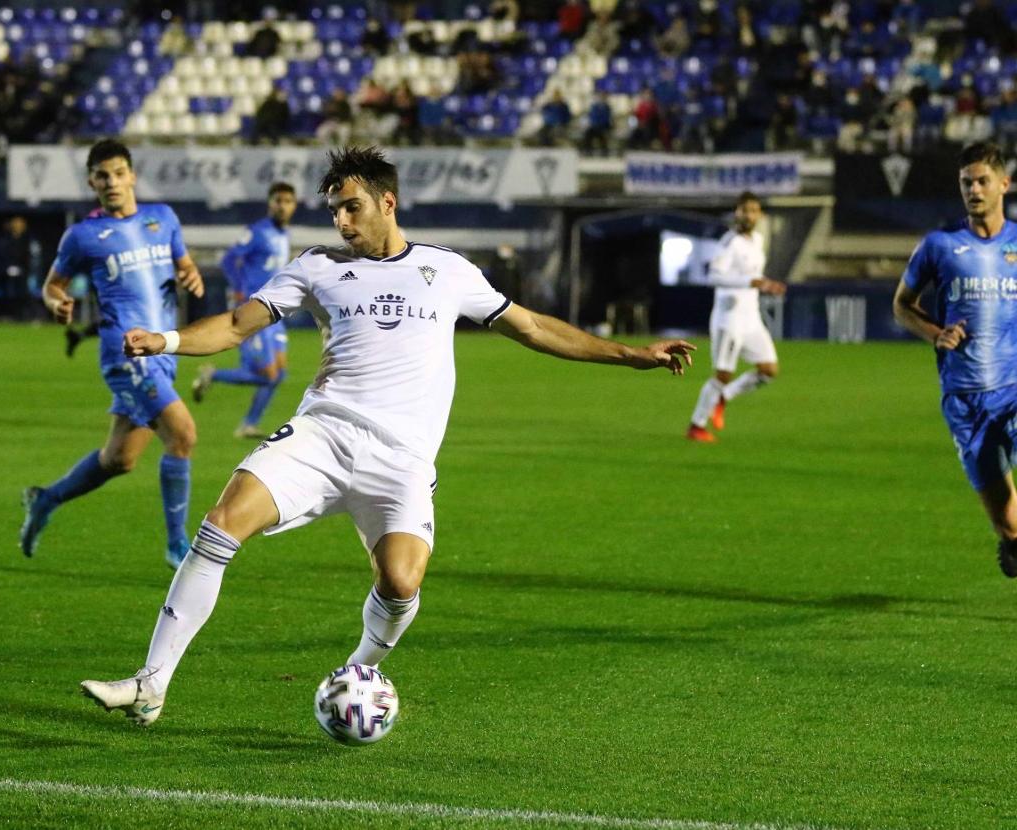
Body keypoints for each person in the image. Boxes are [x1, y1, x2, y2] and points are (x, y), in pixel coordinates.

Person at [79, 146, 695, 725]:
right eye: (335, 211)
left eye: (353, 208)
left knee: (400, 582)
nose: (343, 222)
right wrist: (170, 340)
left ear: (387, 203)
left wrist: (630, 355)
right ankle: (151, 682)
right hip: (322, 434)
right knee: (221, 523)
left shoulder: (447, 270)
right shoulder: (316, 267)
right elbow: (239, 325)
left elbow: (532, 327)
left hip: (400, 457)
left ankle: (361, 671)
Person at [21, 139, 205, 570]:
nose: (112, 182)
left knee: (119, 459)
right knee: (183, 435)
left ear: (132, 176)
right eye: (102, 176)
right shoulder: (83, 235)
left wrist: (191, 275)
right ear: (92, 182)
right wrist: (56, 303)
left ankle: (46, 499)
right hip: (125, 354)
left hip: (162, 352)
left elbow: (183, 264)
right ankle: (178, 546)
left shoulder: (163, 219)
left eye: (119, 173)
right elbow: (52, 284)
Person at [893, 142, 1017, 577]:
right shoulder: (940, 245)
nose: (974, 189)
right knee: (1008, 522)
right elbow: (902, 304)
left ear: (1005, 184)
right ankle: (1012, 542)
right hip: (964, 399)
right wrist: (935, 332)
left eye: (983, 181)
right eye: (967, 182)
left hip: (1014, 389)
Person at [192, 182, 298, 439]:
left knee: (279, 372)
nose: (282, 206)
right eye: (277, 200)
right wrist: (240, 290)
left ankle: (249, 424)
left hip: (276, 310)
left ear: (293, 206)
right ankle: (213, 374)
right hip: (254, 308)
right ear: (270, 203)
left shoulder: (283, 235)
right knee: (268, 374)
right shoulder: (257, 231)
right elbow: (228, 259)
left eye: (287, 201)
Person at [686, 191, 785, 443]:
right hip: (728, 319)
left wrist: (763, 284)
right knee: (722, 374)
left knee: (768, 370)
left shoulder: (758, 240)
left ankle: (724, 397)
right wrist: (749, 281)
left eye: (753, 210)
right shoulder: (729, 242)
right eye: (744, 210)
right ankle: (697, 425)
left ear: (759, 214)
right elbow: (713, 276)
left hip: (751, 318)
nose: (748, 215)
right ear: (736, 212)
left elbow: (754, 276)